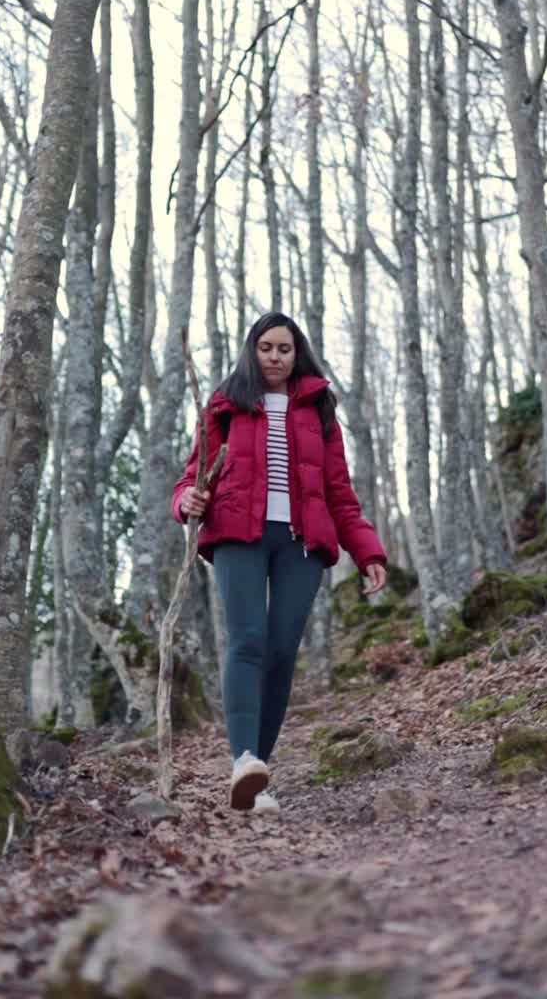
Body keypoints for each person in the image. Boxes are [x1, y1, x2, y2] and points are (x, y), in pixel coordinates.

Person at [172, 312, 387, 813]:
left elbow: (339, 492)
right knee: (247, 641)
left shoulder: (319, 408)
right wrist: (187, 501)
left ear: (297, 353)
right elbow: (191, 476)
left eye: (284, 349)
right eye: (266, 347)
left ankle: (257, 778)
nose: (275, 356)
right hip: (237, 537)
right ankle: (244, 759)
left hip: (302, 543)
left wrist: (368, 551)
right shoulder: (225, 405)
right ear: (253, 350)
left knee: (283, 650)